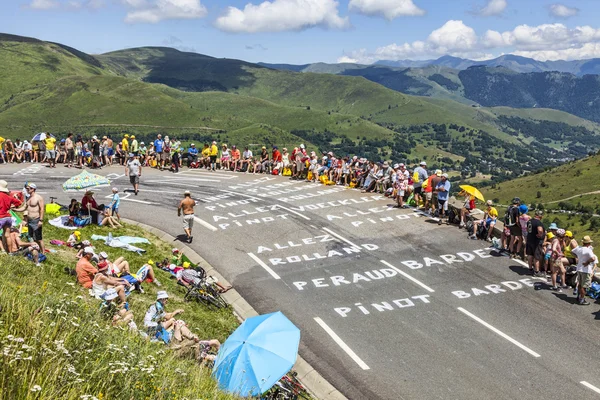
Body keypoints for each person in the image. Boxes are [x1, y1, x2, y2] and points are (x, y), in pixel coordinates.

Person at [572, 236, 597, 305]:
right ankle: (582, 299)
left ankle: (579, 296)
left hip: (579, 268)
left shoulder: (578, 248)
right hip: (586, 270)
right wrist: (587, 262)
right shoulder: (588, 250)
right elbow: (593, 258)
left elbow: (572, 251)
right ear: (589, 243)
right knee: (584, 286)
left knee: (580, 284)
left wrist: (577, 257)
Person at [0, 180, 23, 252]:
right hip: (8, 217)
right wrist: (13, 206)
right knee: (7, 235)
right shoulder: (8, 197)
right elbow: (19, 202)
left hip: (1, 217)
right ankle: (10, 252)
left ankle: (3, 250)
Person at [25, 183, 45, 254]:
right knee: (31, 237)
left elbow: (42, 209)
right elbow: (25, 208)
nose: (27, 190)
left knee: (39, 238)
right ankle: (36, 250)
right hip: (30, 220)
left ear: (33, 189)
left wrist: (41, 220)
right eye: (26, 188)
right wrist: (14, 209)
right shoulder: (28, 198)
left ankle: (43, 253)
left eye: (28, 188)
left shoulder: (38, 197)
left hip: (36, 220)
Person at [526, 210, 545, 277]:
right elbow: (540, 230)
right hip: (536, 242)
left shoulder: (529, 221)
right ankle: (537, 271)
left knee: (530, 255)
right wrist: (540, 235)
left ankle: (530, 269)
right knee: (536, 257)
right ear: (540, 216)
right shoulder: (538, 223)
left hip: (529, 239)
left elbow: (527, 230)